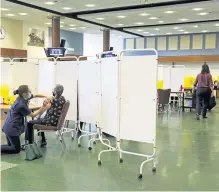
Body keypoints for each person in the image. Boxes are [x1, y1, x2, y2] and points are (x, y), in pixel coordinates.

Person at [1, 85, 49, 154]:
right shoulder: (21, 105)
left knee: (11, 146)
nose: (31, 93)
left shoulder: (22, 97)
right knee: (16, 149)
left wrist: (45, 96)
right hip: (12, 128)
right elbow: (33, 115)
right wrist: (44, 107)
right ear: (25, 94)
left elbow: (35, 95)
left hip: (9, 126)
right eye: (29, 91)